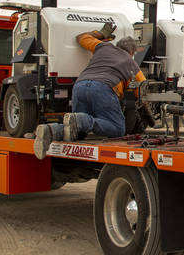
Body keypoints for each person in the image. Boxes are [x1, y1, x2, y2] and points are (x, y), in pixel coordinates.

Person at [34, 30, 145, 159]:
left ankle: (50, 130)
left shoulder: (103, 46)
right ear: (132, 53)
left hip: (80, 85)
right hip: (104, 88)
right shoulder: (131, 62)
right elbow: (143, 88)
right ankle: (80, 119)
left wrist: (101, 33)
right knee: (117, 129)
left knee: (76, 131)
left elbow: (81, 37)